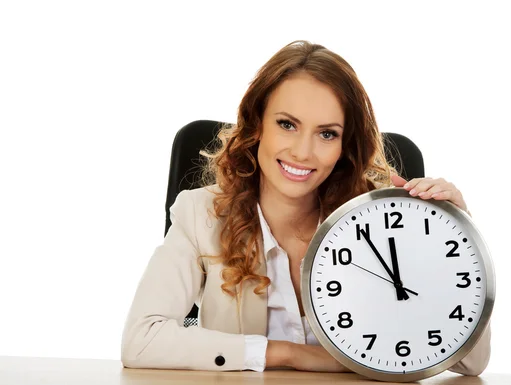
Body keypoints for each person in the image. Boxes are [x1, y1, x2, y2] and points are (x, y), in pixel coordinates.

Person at [120, 40, 491, 375]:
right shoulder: (200, 214)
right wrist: (288, 354)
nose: (302, 152)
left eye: (326, 133)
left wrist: (460, 236)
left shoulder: (384, 223)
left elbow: (471, 364)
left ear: (345, 144)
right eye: (287, 124)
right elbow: (141, 339)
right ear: (256, 125)